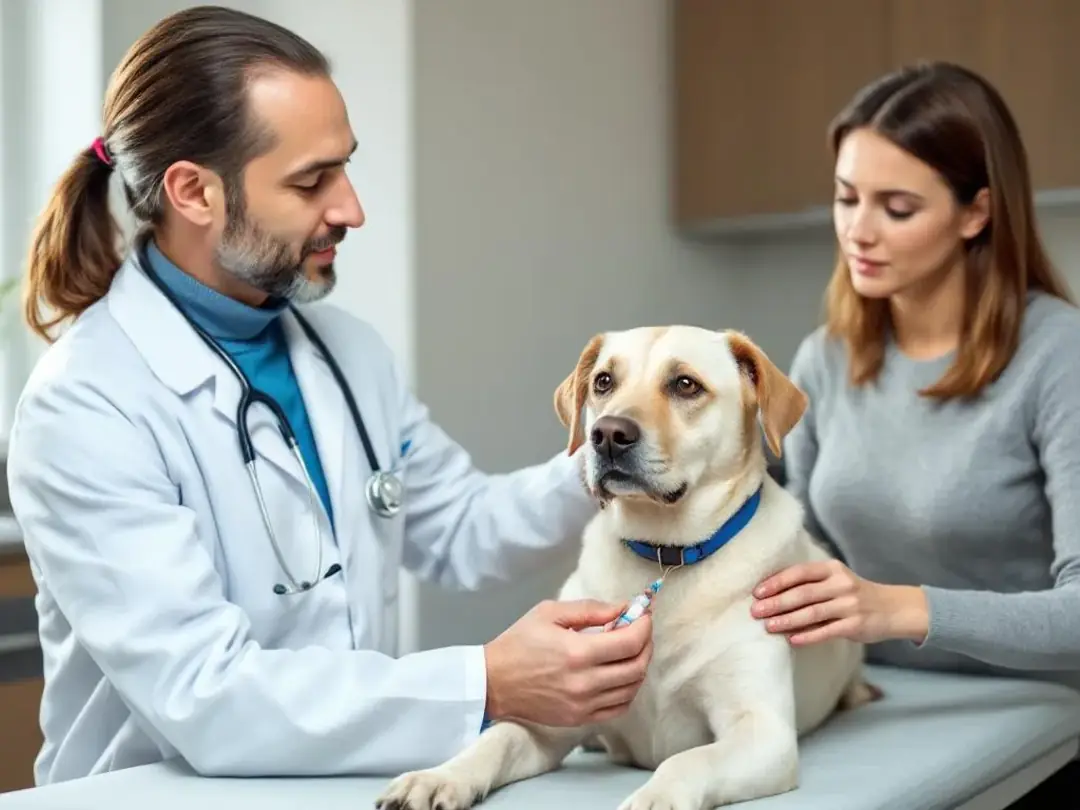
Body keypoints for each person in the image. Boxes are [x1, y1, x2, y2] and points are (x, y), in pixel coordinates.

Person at [5, 5, 652, 786]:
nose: (350, 208)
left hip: (334, 785)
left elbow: (465, 529)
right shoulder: (85, 404)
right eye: (312, 180)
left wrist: (623, 451)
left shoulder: (346, 352)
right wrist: (489, 679)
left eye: (344, 167)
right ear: (193, 192)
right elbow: (207, 696)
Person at [746, 61, 1080, 806]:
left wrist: (896, 608)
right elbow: (793, 547)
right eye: (845, 198)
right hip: (866, 703)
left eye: (897, 207)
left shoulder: (1058, 357)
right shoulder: (825, 360)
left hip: (1042, 720)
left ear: (976, 212)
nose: (858, 231)